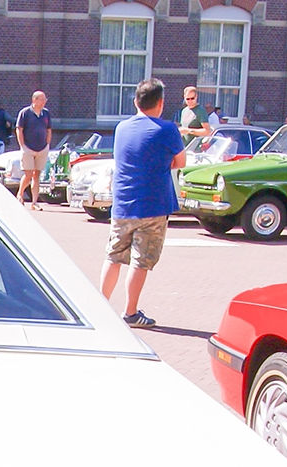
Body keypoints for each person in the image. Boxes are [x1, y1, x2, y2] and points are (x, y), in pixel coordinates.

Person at [99, 77, 186, 329]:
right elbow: (181, 162)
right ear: (160, 103)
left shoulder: (122, 128)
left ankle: (101, 307)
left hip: (123, 203)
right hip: (153, 205)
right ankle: (130, 312)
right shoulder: (168, 130)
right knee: (140, 261)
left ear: (136, 101)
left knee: (113, 255)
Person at [15, 90, 51, 209]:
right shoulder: (25, 113)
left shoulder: (46, 113)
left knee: (37, 175)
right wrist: (22, 145)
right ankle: (20, 193)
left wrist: (47, 144)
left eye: (45, 99)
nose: (44, 102)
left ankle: (34, 202)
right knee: (29, 174)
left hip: (42, 148)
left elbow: (49, 129)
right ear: (34, 100)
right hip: (28, 148)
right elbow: (19, 129)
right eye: (42, 99)